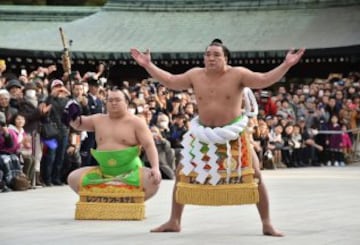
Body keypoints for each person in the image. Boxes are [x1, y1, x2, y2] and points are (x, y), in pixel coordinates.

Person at [131, 39, 305, 236]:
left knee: (255, 173)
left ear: (226, 59)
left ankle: (267, 223)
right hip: (203, 135)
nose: (211, 58)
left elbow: (264, 79)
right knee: (181, 173)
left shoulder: (238, 74)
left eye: (216, 55)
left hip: (233, 135)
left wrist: (286, 64)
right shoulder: (195, 75)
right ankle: (174, 220)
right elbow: (170, 80)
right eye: (208, 54)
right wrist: (148, 65)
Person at [66, 87, 161, 200]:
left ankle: (126, 198)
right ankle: (106, 196)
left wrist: (155, 167)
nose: (113, 103)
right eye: (110, 100)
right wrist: (71, 108)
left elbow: (149, 145)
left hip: (131, 172)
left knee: (153, 181)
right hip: (103, 171)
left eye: (117, 100)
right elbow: (77, 124)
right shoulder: (98, 120)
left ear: (126, 102)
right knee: (73, 178)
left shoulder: (136, 122)